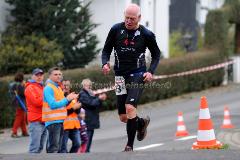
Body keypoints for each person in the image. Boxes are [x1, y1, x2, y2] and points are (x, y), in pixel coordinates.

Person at [101, 3, 161, 151]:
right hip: (120, 76)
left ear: (139, 18)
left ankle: (129, 146)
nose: (128, 21)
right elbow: (106, 50)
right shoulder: (116, 29)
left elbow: (156, 55)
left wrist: (150, 71)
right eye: (126, 17)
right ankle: (140, 123)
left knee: (130, 107)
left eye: (132, 18)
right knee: (123, 117)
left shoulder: (146, 34)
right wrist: (105, 63)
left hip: (138, 74)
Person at [42, 67, 79, 153]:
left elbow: (63, 104)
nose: (58, 76)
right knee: (54, 149)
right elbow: (53, 105)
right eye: (55, 74)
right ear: (50, 76)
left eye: (59, 74)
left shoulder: (58, 88)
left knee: (57, 148)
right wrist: (67, 99)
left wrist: (70, 99)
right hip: (52, 122)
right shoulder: (48, 88)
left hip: (59, 121)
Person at [78, 79, 107, 153]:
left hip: (91, 119)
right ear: (84, 86)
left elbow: (97, 105)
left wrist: (100, 100)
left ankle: (86, 151)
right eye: (88, 85)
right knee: (86, 138)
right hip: (87, 120)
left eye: (90, 85)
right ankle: (85, 152)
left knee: (89, 137)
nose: (90, 87)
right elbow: (91, 103)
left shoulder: (90, 93)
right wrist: (99, 98)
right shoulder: (82, 94)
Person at [25, 68, 47, 153]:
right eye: (37, 75)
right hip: (35, 121)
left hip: (44, 120)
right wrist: (48, 98)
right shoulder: (30, 87)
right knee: (35, 148)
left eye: (41, 75)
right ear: (32, 76)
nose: (39, 77)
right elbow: (37, 102)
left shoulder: (42, 87)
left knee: (40, 148)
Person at [60, 79, 81, 153]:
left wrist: (78, 107)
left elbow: (77, 112)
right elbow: (61, 112)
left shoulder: (75, 95)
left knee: (77, 144)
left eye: (67, 85)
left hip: (74, 125)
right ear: (61, 86)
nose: (66, 87)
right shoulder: (60, 96)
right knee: (63, 148)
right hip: (64, 126)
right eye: (64, 85)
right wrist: (73, 108)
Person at [10, 72, 29, 138]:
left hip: (16, 103)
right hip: (20, 103)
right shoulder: (19, 85)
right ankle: (14, 132)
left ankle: (24, 132)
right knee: (19, 118)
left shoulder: (13, 84)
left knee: (22, 118)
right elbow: (24, 93)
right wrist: (24, 85)